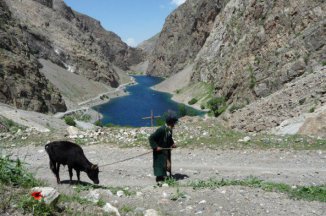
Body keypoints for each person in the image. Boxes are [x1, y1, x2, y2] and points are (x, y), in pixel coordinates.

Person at [149, 113, 178, 184]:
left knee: (167, 164)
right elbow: (151, 138)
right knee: (160, 164)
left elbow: (170, 138)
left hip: (166, 150)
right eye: (173, 123)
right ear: (170, 123)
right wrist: (155, 147)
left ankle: (166, 176)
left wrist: (172, 143)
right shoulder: (161, 130)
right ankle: (159, 179)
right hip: (159, 151)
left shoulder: (169, 130)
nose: (174, 125)